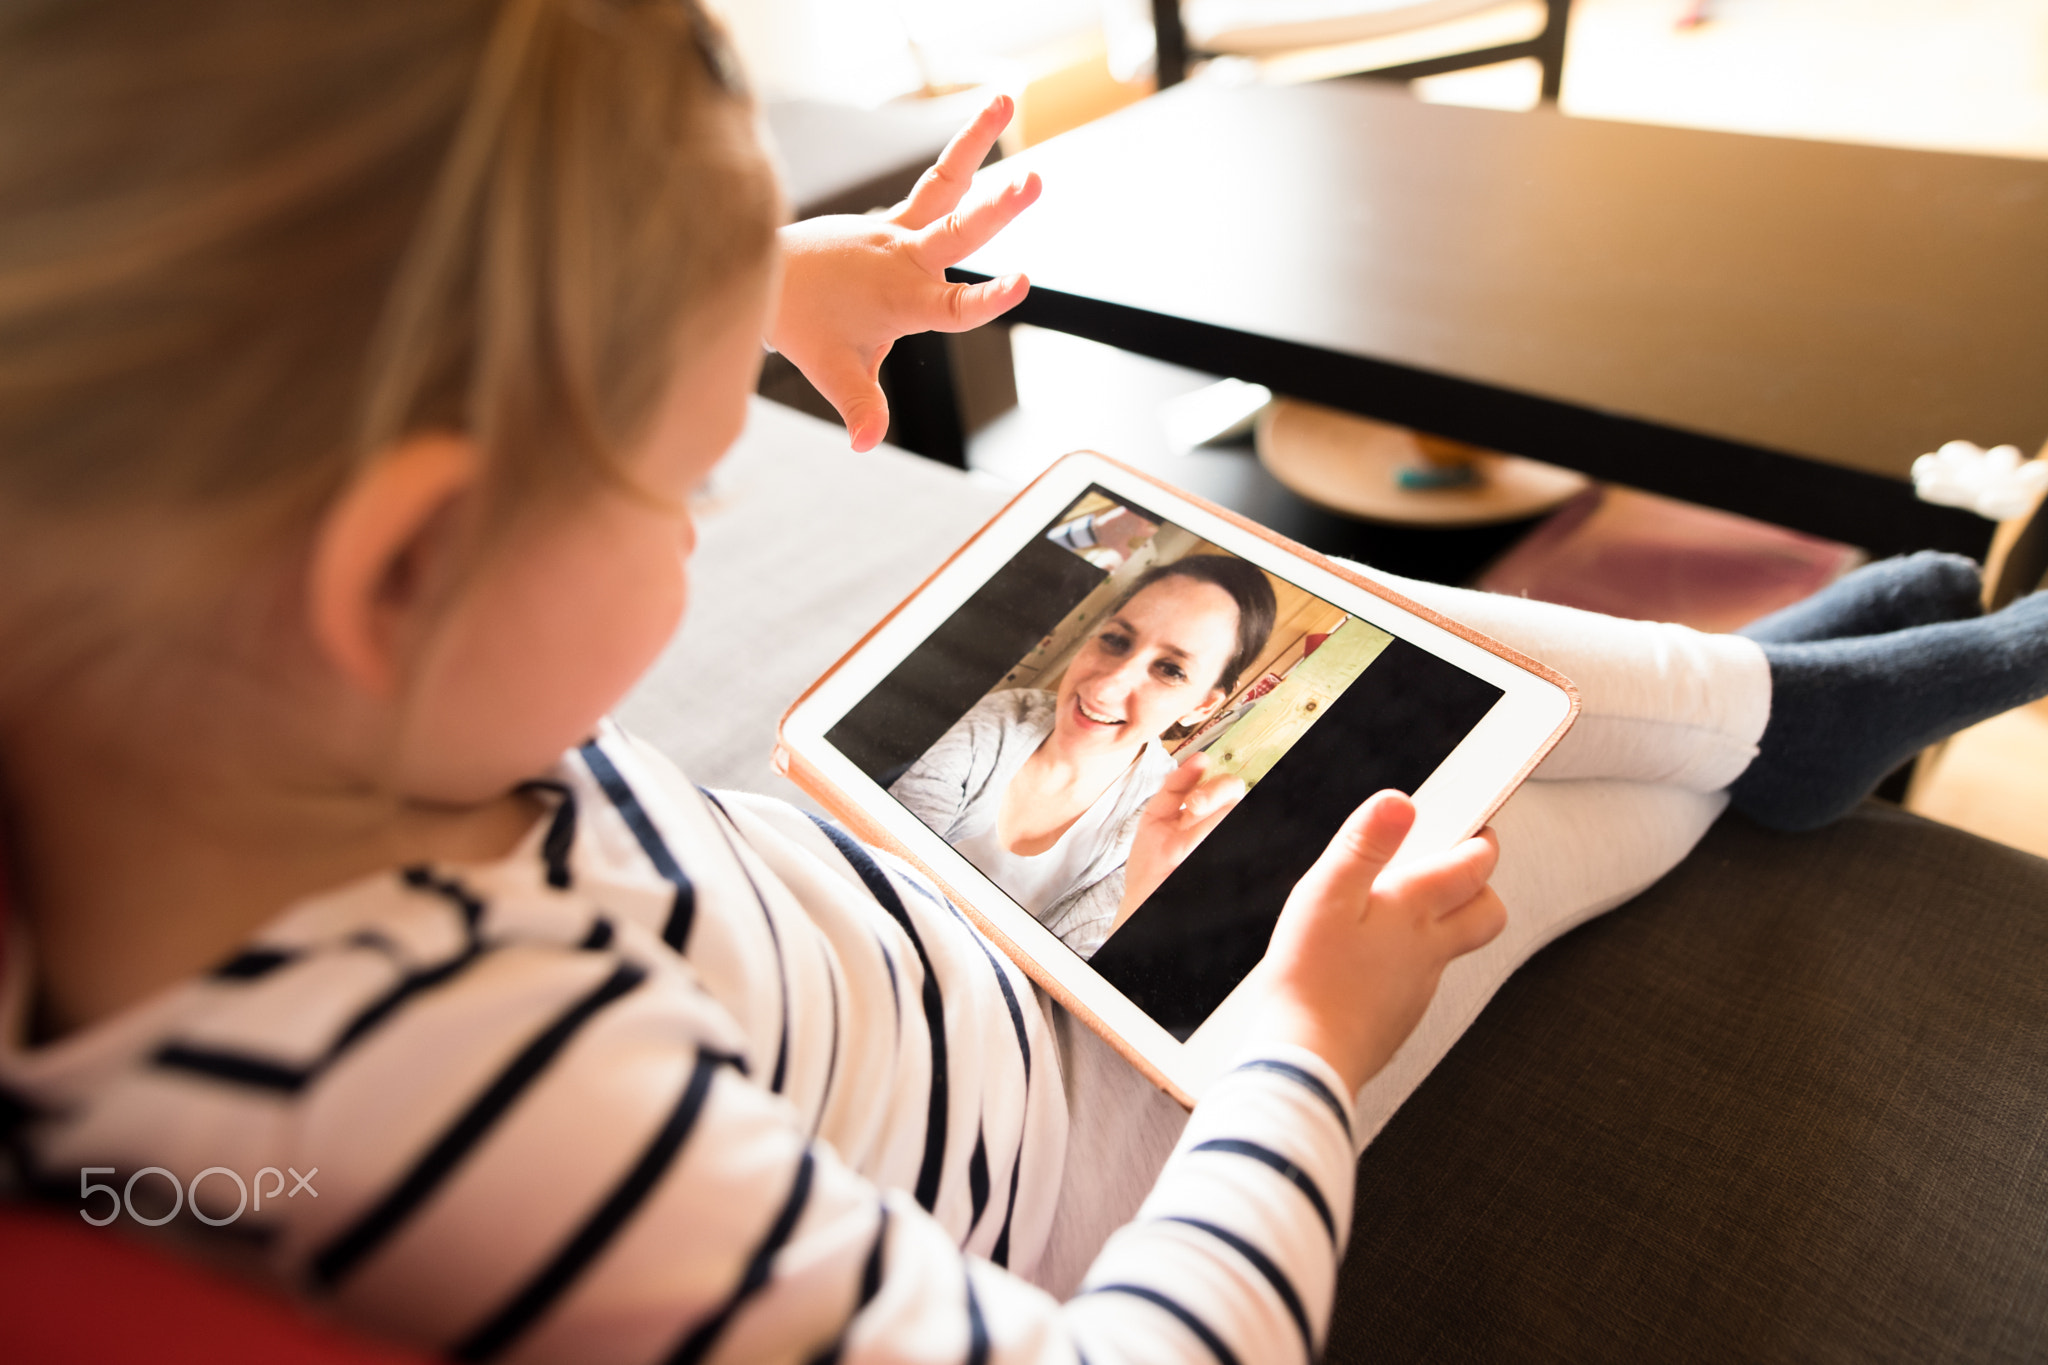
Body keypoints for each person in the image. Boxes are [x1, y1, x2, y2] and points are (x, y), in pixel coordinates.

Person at [3, 3, 2047, 1363]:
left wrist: (772, 289)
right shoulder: (444, 1100)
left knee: (1326, 607)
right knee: (1499, 835)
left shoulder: (203, 715)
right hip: (1081, 1160)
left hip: (910, 929)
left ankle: (1776, 705)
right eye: (681, 460)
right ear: (408, 566)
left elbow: (383, 356)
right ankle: (1789, 717)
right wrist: (1299, 1049)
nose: (715, 489)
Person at [890, 555, 1278, 957]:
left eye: (1169, 669)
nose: (1107, 688)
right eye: (1116, 640)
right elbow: (878, 859)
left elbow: (1056, 991)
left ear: (1202, 707)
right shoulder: (1005, 715)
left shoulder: (1157, 825)